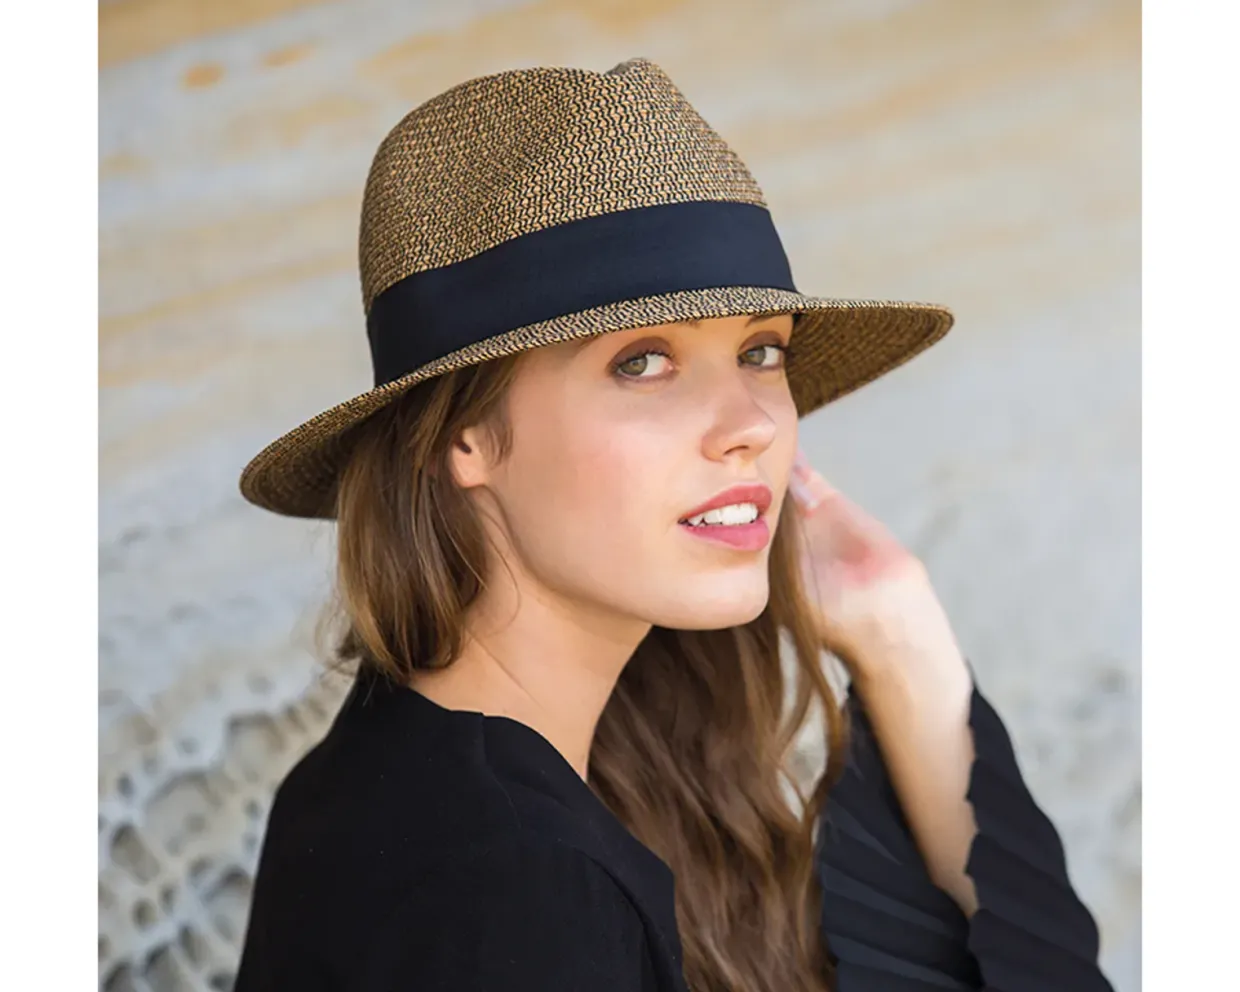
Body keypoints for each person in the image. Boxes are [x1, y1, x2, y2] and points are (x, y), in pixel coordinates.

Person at [232, 58, 1116, 992]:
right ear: (464, 437)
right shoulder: (529, 884)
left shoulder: (394, 779)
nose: (752, 425)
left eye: (761, 351)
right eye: (643, 362)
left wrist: (898, 632)